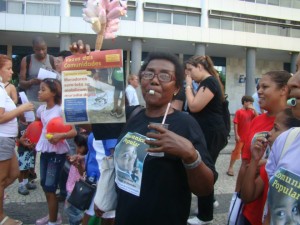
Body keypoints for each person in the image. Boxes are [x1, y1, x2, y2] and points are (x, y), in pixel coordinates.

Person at [70, 41, 216, 225]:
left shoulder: (185, 124)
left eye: (165, 76)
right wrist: (79, 69)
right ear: (141, 81)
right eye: (149, 74)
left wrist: (189, 155)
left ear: (177, 88)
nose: (154, 80)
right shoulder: (131, 115)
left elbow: (205, 188)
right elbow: (84, 118)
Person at [235, 70, 291, 225]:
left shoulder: (294, 123)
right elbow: (245, 163)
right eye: (259, 87)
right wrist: (237, 195)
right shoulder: (257, 121)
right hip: (251, 204)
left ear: (283, 90)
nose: (259, 91)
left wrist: (264, 163)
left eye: (265, 87)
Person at [184, 55, 228, 225]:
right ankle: (210, 200)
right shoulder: (209, 82)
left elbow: (194, 106)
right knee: (207, 166)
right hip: (210, 131)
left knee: (204, 169)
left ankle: (205, 215)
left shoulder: (209, 82)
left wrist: (188, 86)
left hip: (211, 132)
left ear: (200, 67)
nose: (188, 73)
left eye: (190, 69)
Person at [240, 108, 300, 224]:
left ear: (291, 134)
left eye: (276, 129)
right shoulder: (270, 166)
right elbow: (247, 196)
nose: (269, 133)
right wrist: (254, 160)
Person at [34, 78, 77, 225]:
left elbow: (73, 132)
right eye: (40, 89)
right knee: (44, 184)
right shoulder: (41, 110)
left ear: (53, 93)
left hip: (56, 154)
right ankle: (53, 215)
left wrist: (61, 135)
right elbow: (40, 127)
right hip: (45, 151)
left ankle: (53, 221)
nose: (39, 92)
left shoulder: (60, 109)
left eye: (43, 89)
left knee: (50, 187)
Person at [0, 54, 34, 225]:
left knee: (13, 174)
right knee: (1, 179)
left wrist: (20, 138)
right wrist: (22, 108)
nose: (11, 72)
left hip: (9, 139)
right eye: (8, 68)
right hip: (3, 139)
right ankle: (1, 218)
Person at [19, 36, 55, 107]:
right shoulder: (27, 60)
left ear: (46, 47)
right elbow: (21, 83)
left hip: (49, 103)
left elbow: (58, 81)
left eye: (43, 49)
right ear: (33, 49)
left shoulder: (52, 59)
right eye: (38, 50)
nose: (41, 52)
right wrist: (31, 82)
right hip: (32, 102)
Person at [227, 95, 257, 177]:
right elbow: (236, 123)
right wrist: (236, 135)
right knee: (236, 152)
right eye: (250, 103)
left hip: (248, 137)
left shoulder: (251, 112)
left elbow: (257, 118)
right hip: (241, 137)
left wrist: (254, 109)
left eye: (252, 103)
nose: (251, 104)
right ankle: (230, 167)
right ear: (245, 102)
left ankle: (244, 168)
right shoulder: (239, 112)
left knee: (246, 153)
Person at [65, 134, 88, 225]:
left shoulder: (84, 159)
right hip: (71, 187)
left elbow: (83, 173)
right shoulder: (77, 156)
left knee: (70, 209)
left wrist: (78, 165)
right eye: (76, 146)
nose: (77, 149)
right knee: (71, 210)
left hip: (77, 190)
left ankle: (81, 219)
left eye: (80, 147)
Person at [17, 114, 37, 195]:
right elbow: (16, 137)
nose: (26, 115)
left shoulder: (30, 124)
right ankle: (21, 185)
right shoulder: (18, 125)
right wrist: (21, 142)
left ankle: (26, 182)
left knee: (27, 167)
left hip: (30, 149)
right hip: (22, 150)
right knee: (21, 169)